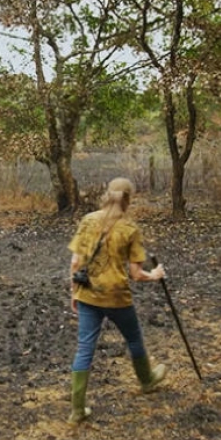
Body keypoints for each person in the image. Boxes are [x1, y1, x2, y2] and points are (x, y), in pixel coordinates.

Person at [66, 177, 167, 425]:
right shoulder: (129, 229)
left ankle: (77, 410)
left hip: (88, 294)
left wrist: (74, 292)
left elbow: (75, 263)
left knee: (85, 348)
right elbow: (135, 274)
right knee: (133, 338)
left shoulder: (88, 220)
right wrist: (154, 275)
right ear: (128, 199)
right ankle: (146, 380)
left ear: (106, 194)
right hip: (117, 298)